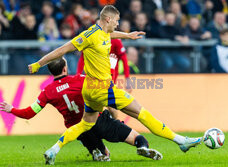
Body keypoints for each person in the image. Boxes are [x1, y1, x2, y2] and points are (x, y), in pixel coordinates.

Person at [28, 5, 202, 165]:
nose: (118, 24)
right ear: (108, 19)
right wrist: (38, 64)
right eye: (117, 21)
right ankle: (181, 141)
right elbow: (62, 50)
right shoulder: (88, 36)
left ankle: (54, 149)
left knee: (85, 125)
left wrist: (127, 35)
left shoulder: (101, 33)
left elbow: (108, 35)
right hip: (103, 88)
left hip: (89, 90)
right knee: (141, 113)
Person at [1, 58, 162, 164]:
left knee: (105, 155)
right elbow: (103, 88)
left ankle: (96, 152)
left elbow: (29, 113)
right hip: (97, 120)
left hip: (76, 129)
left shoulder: (46, 92)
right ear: (65, 68)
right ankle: (143, 147)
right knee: (138, 138)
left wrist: (11, 109)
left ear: (52, 72)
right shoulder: (81, 79)